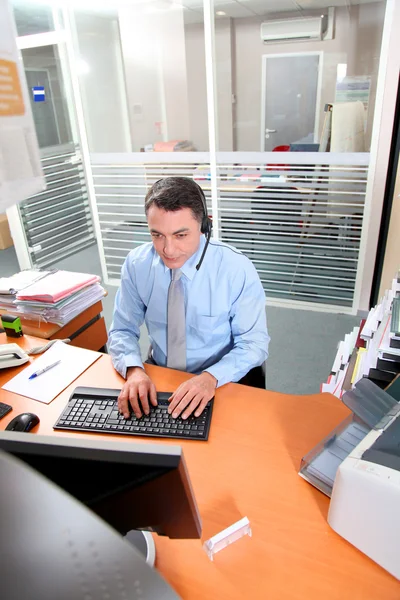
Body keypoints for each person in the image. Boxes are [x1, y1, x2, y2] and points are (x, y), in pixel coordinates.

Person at [108, 177, 270, 421]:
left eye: (180, 235)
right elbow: (122, 330)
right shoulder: (136, 264)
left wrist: (211, 377)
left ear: (204, 226)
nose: (168, 250)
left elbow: (253, 343)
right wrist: (133, 370)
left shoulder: (236, 269)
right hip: (160, 376)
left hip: (218, 380)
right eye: (157, 235)